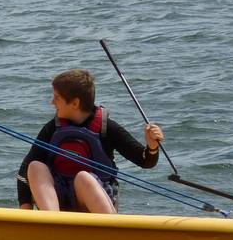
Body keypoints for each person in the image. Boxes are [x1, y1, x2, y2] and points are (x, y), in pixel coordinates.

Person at [17, 69, 164, 214]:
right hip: (58, 201)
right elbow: (24, 172)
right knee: (35, 166)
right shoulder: (52, 129)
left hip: (92, 201)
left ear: (75, 103)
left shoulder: (107, 128)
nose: (52, 102)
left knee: (83, 177)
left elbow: (145, 161)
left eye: (57, 98)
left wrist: (152, 147)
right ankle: (53, 223)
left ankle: (113, 231)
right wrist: (25, 212)